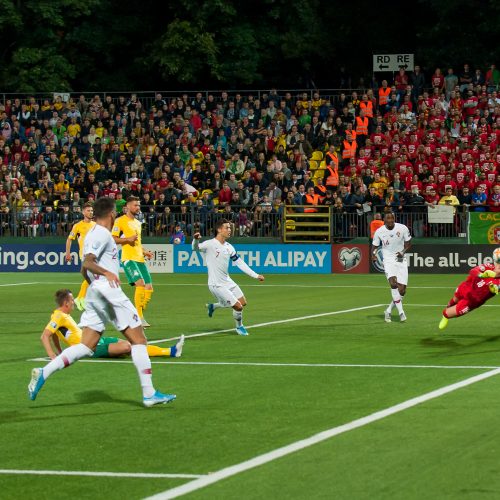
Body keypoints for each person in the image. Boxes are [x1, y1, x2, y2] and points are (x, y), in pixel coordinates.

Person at [28, 197, 175, 407]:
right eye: (115, 212)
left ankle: (44, 372)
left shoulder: (91, 234)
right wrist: (106, 274)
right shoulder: (102, 234)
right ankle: (149, 393)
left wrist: (94, 286)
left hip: (97, 292)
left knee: (86, 346)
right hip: (110, 292)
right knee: (139, 341)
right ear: (111, 214)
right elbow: (88, 262)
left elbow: (83, 269)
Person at [40, 288, 184, 359]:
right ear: (65, 302)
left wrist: (59, 351)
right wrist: (53, 355)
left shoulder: (60, 316)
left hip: (95, 340)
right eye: (72, 301)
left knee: (132, 343)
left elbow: (54, 335)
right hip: (90, 348)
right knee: (128, 346)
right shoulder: (59, 316)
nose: (73, 303)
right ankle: (170, 352)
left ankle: (171, 351)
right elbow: (45, 336)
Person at [192, 218, 265, 335]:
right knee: (238, 306)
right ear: (219, 229)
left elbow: (240, 263)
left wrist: (255, 275)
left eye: (230, 227)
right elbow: (195, 248)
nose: (229, 230)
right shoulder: (209, 244)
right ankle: (239, 327)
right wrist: (195, 240)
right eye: (227, 227)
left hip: (227, 281)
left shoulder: (229, 247)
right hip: (216, 284)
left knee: (243, 302)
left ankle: (213, 306)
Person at [112, 196, 154, 327]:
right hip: (128, 258)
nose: (138, 208)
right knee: (140, 284)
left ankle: (136, 313)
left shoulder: (137, 223)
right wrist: (127, 240)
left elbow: (137, 243)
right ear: (128, 207)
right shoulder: (119, 221)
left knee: (149, 288)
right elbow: (113, 239)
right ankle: (139, 318)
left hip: (139, 258)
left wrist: (144, 251)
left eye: (139, 205)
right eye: (135, 205)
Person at [439, 251, 500, 330]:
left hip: (472, 301)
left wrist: (494, 288)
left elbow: (495, 288)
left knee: (449, 313)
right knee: (454, 300)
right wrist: (481, 275)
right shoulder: (488, 267)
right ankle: (449, 306)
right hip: (466, 287)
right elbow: (472, 271)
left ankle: (445, 316)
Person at [371, 212, 412, 323]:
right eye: (387, 218)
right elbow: (374, 246)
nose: (390, 220)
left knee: (402, 291)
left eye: (391, 218)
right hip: (388, 259)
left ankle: (388, 311)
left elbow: (408, 243)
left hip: (400, 259)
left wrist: (403, 252)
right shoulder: (379, 231)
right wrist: (373, 254)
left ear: (394, 219)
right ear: (384, 219)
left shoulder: (402, 228)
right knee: (393, 283)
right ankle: (401, 312)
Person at [65, 202, 96, 310]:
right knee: (92, 277)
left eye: (92, 210)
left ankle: (81, 298)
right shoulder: (78, 226)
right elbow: (69, 239)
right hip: (85, 255)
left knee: (92, 278)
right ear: (83, 212)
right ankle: (82, 298)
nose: (91, 212)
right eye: (88, 210)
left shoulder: (95, 225)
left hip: (95, 255)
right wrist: (68, 253)